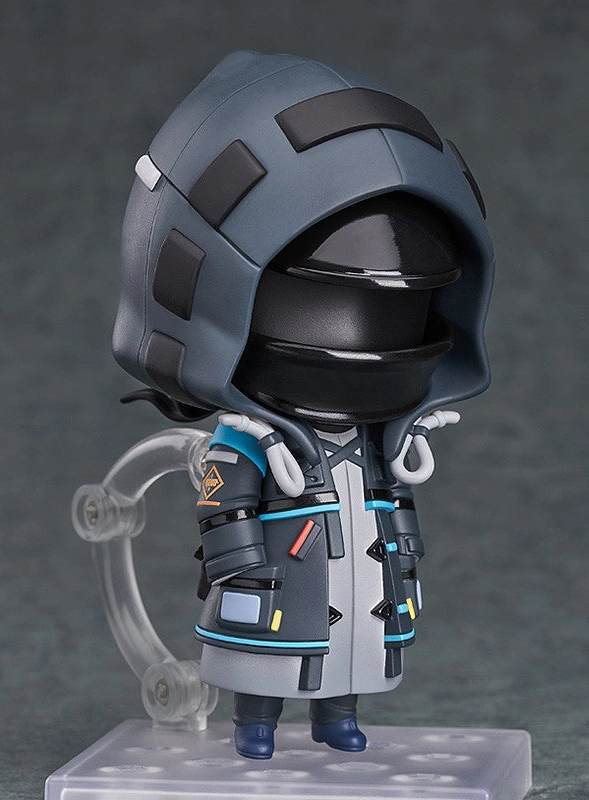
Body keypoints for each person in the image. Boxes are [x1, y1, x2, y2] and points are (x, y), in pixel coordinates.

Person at [113, 50, 494, 759]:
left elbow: (394, 503)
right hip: (277, 582)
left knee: (348, 652)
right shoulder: (249, 439)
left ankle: (335, 717)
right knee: (268, 656)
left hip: (359, 581)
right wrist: (238, 564)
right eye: (324, 303)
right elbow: (224, 503)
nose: (363, 326)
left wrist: (405, 557)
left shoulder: (384, 441)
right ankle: (255, 723)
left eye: (393, 310)